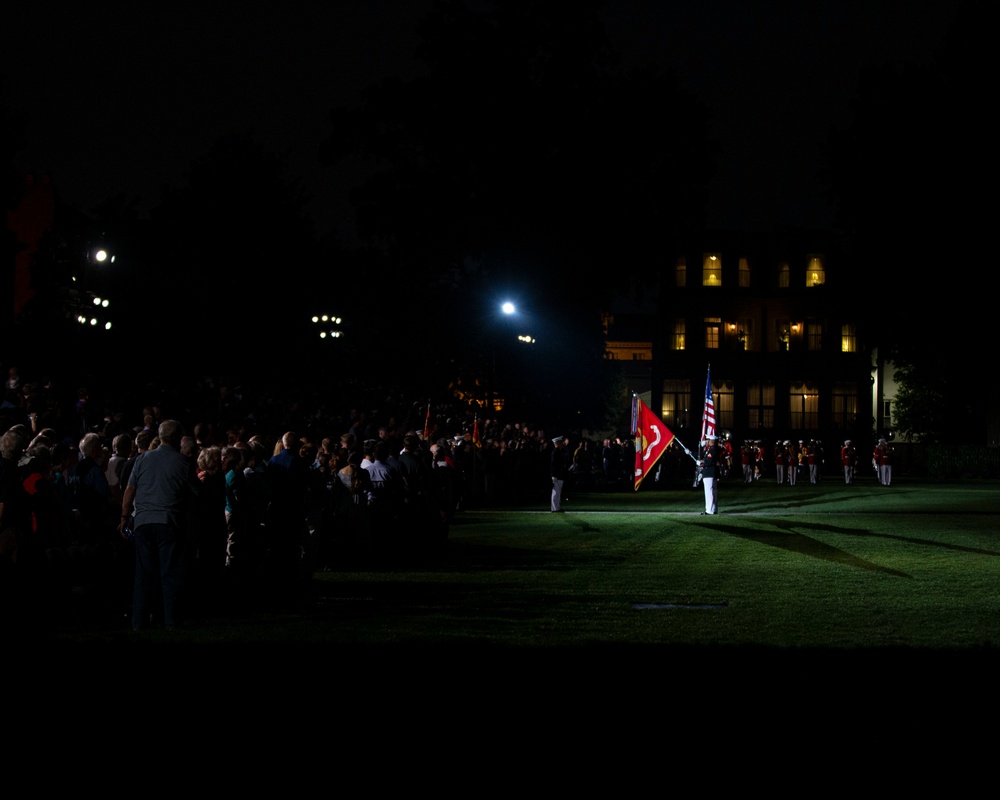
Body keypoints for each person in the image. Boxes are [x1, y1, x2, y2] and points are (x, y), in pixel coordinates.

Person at [118, 419, 201, 632]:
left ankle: (139, 622)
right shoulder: (182, 463)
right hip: (168, 521)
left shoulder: (142, 459)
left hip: (143, 521)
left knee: (143, 574)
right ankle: (171, 620)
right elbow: (197, 492)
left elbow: (130, 489)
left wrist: (125, 517)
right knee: (169, 573)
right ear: (177, 438)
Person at [698, 433, 724, 515]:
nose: (706, 441)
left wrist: (701, 463)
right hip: (712, 472)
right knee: (713, 491)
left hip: (709, 472)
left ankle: (709, 510)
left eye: (707, 440)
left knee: (709, 491)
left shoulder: (712, 450)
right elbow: (702, 456)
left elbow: (708, 462)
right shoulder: (712, 450)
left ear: (711, 441)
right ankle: (713, 508)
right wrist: (690, 452)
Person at [550, 435, 568, 512]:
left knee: (558, 492)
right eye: (560, 442)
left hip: (559, 474)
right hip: (557, 474)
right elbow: (553, 464)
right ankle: (554, 508)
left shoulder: (559, 451)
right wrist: (553, 475)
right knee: (556, 492)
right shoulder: (555, 452)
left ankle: (557, 507)